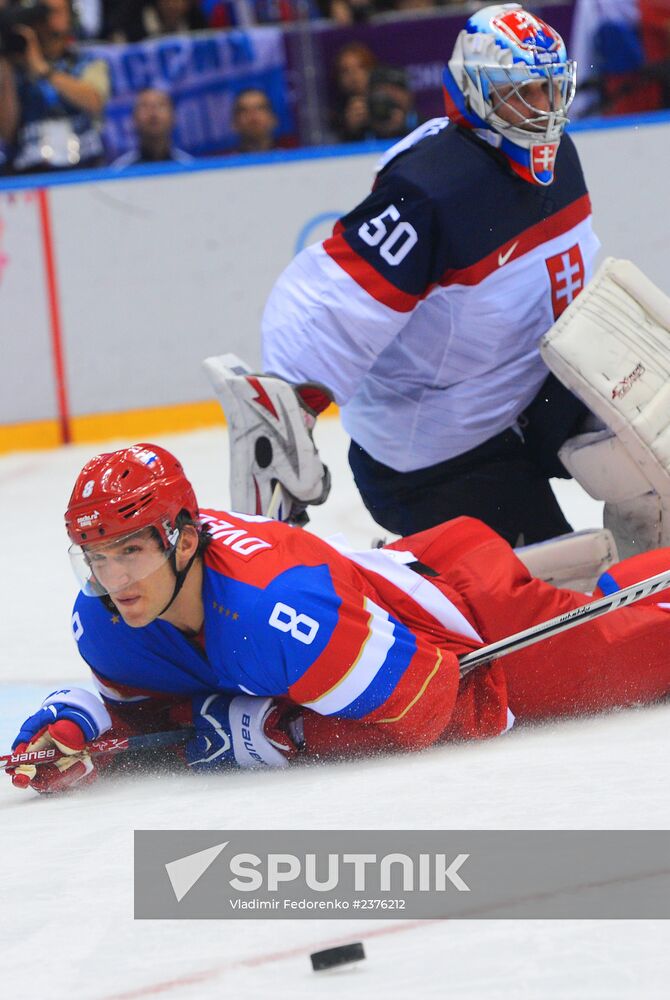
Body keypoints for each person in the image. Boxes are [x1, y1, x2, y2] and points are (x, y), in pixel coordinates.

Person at [7, 442, 670, 794]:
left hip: (477, 624)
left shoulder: (279, 613)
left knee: (653, 648)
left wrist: (291, 734)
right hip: (394, 592)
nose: (113, 580)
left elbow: (447, 705)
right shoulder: (105, 620)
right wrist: (80, 723)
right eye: (96, 557)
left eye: (129, 552)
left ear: (183, 539)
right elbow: (154, 707)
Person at [259, 3, 600, 547]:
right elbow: (326, 306)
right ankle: (420, 579)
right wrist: (282, 427)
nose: (545, 109)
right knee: (551, 599)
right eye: (524, 92)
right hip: (436, 456)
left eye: (552, 88)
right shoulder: (430, 191)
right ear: (477, 92)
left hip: (529, 401)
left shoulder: (561, 154)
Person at [0, 0, 109, 173]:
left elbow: (95, 102)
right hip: (31, 167)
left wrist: (43, 69)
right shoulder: (16, 67)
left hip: (85, 163)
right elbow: (6, 132)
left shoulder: (87, 60)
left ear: (70, 16)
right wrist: (7, 67)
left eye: (55, 11)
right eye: (42, 12)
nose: (48, 18)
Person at [111, 87, 193, 167]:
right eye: (145, 106)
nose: (153, 113)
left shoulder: (189, 167)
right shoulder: (120, 171)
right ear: (133, 119)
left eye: (161, 105)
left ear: (174, 117)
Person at [231, 87, 278, 154]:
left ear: (273, 119)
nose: (253, 116)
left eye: (260, 108)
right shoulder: (224, 162)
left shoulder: (291, 158)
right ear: (234, 123)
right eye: (244, 110)